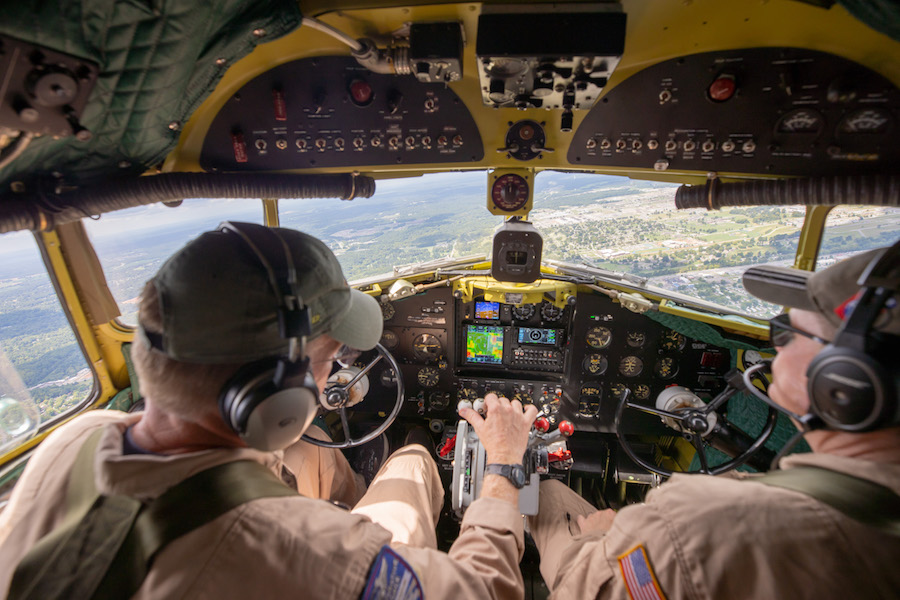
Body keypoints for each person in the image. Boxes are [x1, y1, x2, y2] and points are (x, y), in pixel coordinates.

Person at [0, 222, 538, 599]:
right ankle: (414, 453)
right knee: (413, 462)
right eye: (330, 361)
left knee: (312, 455)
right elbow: (485, 590)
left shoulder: (80, 437)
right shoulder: (305, 551)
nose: (333, 376)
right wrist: (504, 465)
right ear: (273, 398)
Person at [527, 247, 900, 599]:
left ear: (846, 382)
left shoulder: (702, 518)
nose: (776, 344)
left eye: (788, 331)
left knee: (541, 491)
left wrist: (598, 537)